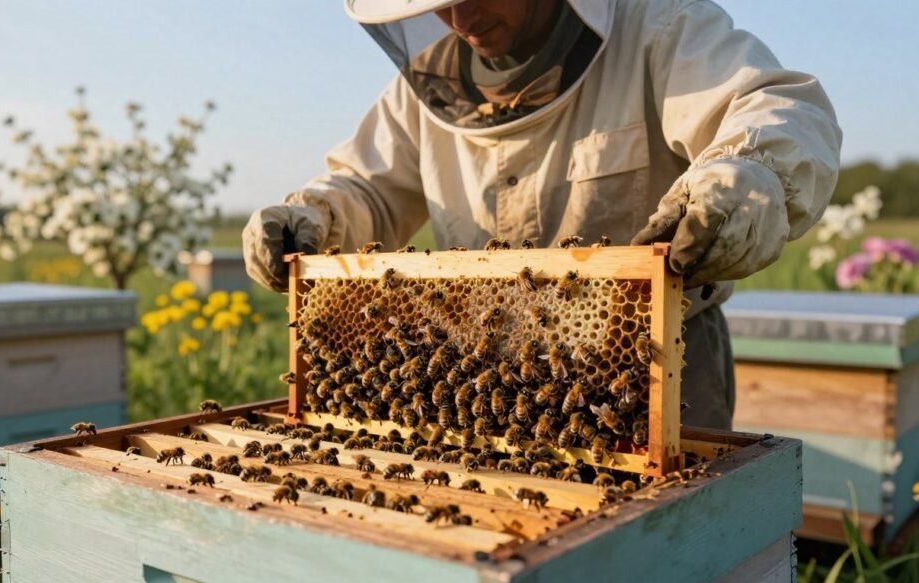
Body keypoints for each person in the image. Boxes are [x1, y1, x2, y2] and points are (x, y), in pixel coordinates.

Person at [243, 0, 841, 430]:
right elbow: (367, 188)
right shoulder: (424, 85)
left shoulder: (660, 26)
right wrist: (316, 216)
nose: (460, 19)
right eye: (438, 6)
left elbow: (775, 106)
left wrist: (743, 181)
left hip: (655, 366)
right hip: (474, 377)